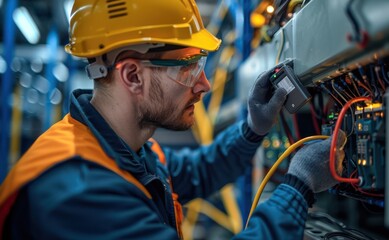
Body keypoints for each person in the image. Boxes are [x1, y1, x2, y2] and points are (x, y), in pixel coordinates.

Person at [0, 0, 344, 239]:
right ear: (133, 76)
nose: (205, 84)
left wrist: (254, 130)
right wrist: (298, 185)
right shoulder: (80, 194)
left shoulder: (125, 151)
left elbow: (199, 170)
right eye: (188, 67)